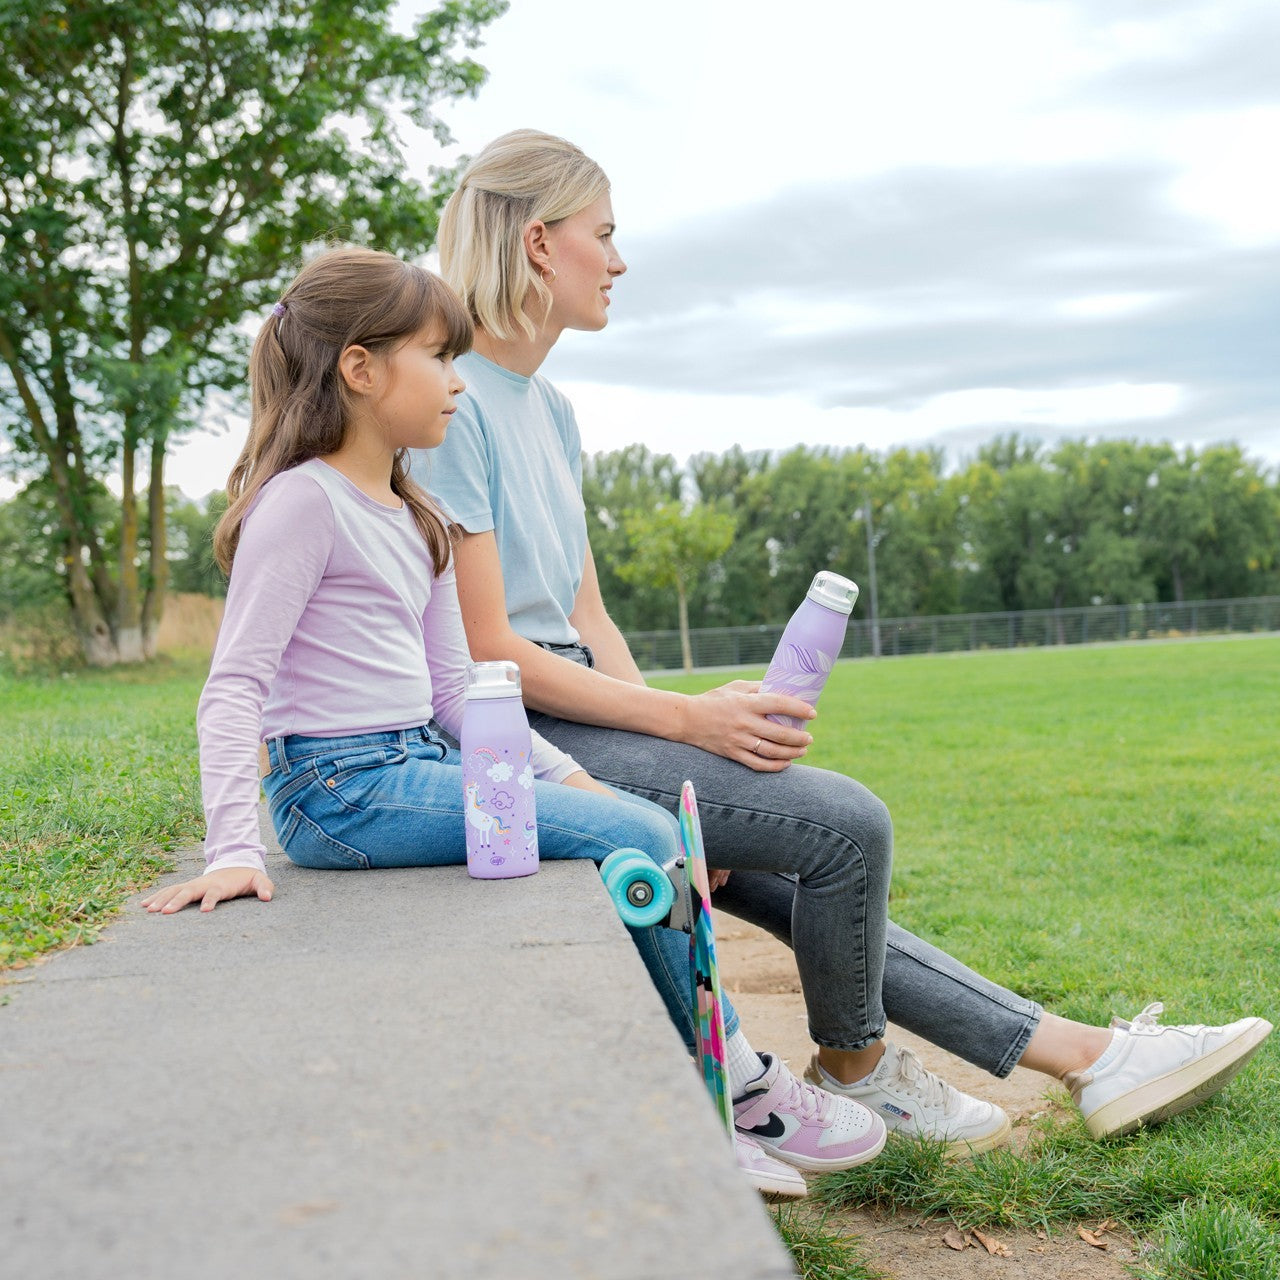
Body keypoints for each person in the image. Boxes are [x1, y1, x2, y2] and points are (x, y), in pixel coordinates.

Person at [416, 129, 1272, 1151]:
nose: (620, 259)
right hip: (529, 737)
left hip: (599, 714)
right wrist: (688, 722)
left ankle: (1090, 1058)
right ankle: (865, 1071)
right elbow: (487, 643)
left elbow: (588, 612)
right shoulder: (454, 397)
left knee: (812, 861)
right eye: (605, 234)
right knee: (842, 827)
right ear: (541, 243)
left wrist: (686, 760)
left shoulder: (549, 407)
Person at [140, 244, 890, 1201]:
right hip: (335, 790)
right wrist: (231, 847)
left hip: (410, 762)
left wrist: (576, 781)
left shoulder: (418, 518)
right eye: (438, 358)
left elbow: (460, 696)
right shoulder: (301, 504)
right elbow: (234, 684)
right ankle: (735, 1091)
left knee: (636, 824)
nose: (458, 382)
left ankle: (725, 1085)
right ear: (361, 371)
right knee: (648, 836)